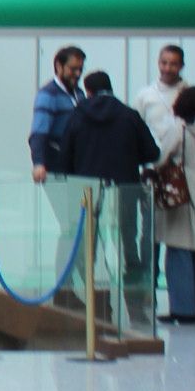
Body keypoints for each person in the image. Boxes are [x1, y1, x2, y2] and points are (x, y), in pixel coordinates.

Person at [56, 71, 160, 311]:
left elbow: (64, 159)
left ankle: (98, 302)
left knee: (89, 245)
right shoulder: (129, 115)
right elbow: (152, 153)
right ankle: (134, 302)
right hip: (125, 191)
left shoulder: (77, 116)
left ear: (88, 91)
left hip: (87, 193)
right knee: (127, 243)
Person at [156, 85, 195, 324]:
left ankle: (183, 309)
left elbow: (160, 158)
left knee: (178, 256)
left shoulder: (179, 131)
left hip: (181, 202)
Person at [29, 45, 85, 276]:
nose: (77, 74)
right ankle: (65, 278)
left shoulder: (78, 95)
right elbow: (38, 132)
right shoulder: (48, 95)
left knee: (79, 225)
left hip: (76, 169)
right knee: (70, 224)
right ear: (59, 66)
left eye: (80, 69)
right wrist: (39, 163)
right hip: (57, 168)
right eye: (73, 69)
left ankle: (79, 275)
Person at [132, 44, 187, 149]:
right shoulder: (144, 95)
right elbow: (135, 129)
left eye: (173, 64)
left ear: (182, 66)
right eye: (164, 63)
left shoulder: (190, 94)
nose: (167, 68)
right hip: (153, 160)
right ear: (158, 63)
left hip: (184, 161)